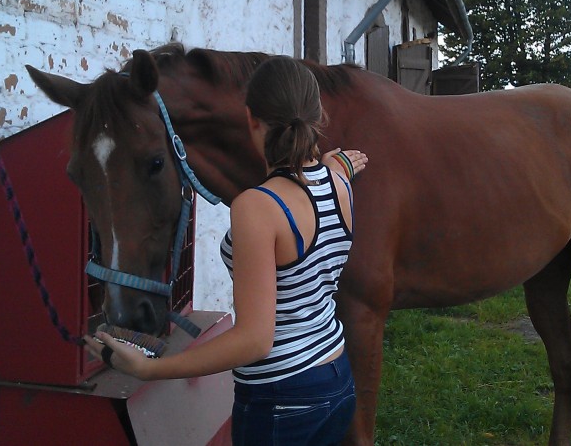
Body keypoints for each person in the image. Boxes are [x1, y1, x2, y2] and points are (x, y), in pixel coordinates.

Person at [87, 55, 367, 445]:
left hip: (280, 398)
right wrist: (332, 165)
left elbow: (255, 339)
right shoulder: (340, 182)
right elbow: (323, 174)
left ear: (251, 118)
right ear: (316, 114)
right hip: (337, 382)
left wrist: (151, 370)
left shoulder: (257, 208)